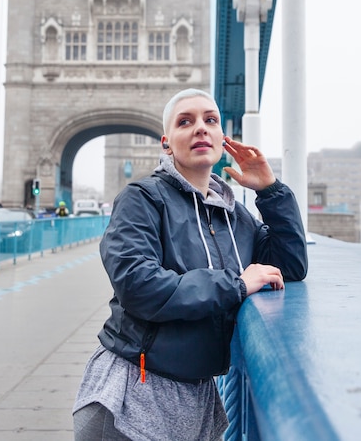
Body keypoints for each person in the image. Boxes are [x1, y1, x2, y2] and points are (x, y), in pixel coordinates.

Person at [73, 88, 308, 441]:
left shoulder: (235, 216)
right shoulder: (142, 199)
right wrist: (237, 285)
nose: (201, 128)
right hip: (133, 391)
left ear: (221, 138)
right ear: (167, 144)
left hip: (198, 394)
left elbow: (289, 265)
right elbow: (139, 285)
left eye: (210, 120)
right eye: (186, 122)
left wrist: (270, 190)